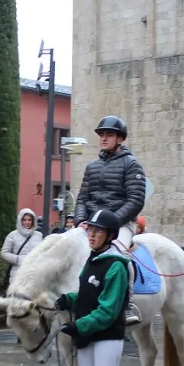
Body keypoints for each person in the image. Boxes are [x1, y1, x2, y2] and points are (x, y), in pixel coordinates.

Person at [53, 209, 131, 366]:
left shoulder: (116, 266)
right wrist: (70, 299)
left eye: (97, 231)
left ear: (110, 235)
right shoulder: (92, 260)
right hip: (87, 335)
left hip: (107, 336)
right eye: (90, 230)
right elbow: (89, 295)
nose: (92, 234)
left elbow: (108, 309)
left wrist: (78, 326)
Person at [73, 116, 146, 324]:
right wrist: (80, 220)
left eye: (109, 135)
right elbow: (82, 198)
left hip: (121, 222)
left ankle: (126, 305)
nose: (104, 138)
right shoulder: (92, 166)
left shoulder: (132, 165)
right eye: (102, 135)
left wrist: (112, 222)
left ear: (120, 138)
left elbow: (135, 200)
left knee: (121, 254)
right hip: (92, 223)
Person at [1, 208, 42, 287]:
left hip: (34, 275)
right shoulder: (12, 235)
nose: (27, 222)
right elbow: (4, 253)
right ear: (20, 221)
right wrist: (18, 259)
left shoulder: (39, 236)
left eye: (29, 220)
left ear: (33, 221)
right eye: (24, 220)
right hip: (17, 275)